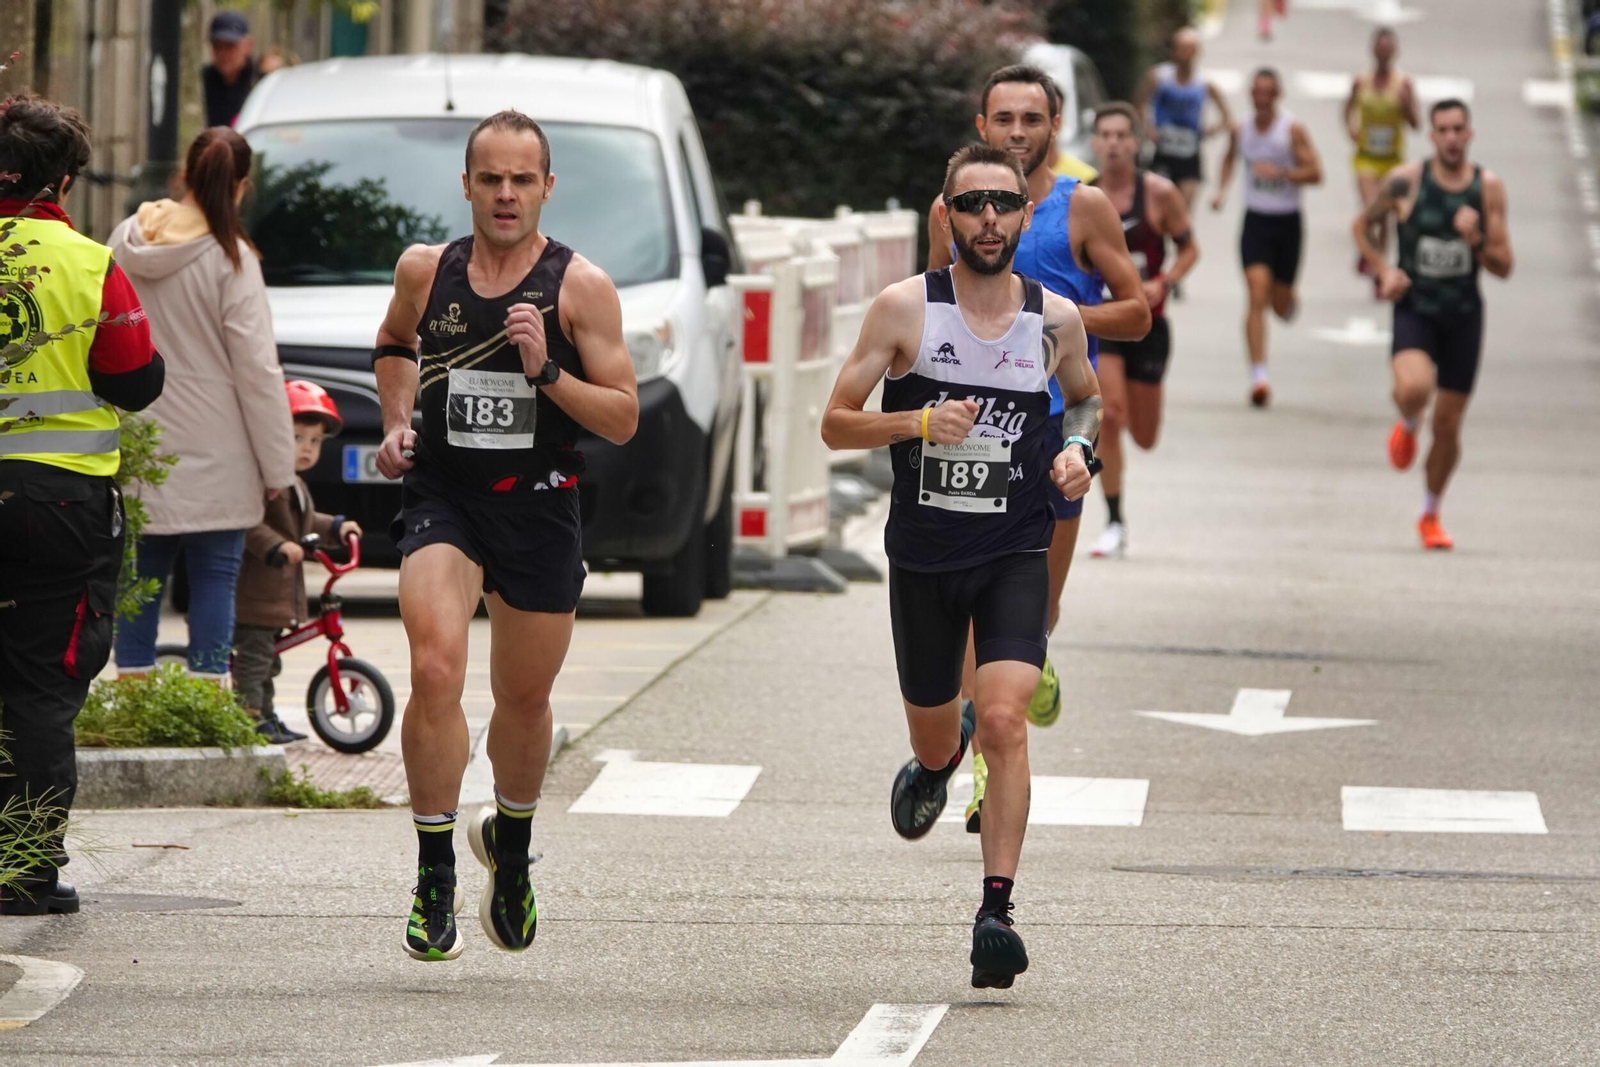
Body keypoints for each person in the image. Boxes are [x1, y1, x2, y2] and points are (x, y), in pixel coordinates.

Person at [823, 142, 1099, 990]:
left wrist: (1080, 449)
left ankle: (996, 911)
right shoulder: (905, 310)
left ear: (1024, 214)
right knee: (938, 728)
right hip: (924, 560)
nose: (989, 220)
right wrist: (914, 426)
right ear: (946, 216)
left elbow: (1085, 395)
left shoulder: (1055, 320)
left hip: (1014, 549)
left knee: (1008, 715)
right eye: (972, 205)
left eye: (1004, 205)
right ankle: (940, 764)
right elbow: (835, 422)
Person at [371, 110, 638, 962]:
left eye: (523, 179)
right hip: (443, 495)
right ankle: (434, 870)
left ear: (547, 187)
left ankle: (513, 850)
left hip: (538, 504)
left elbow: (625, 416)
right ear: (467, 184)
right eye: (491, 178)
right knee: (433, 665)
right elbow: (392, 343)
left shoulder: (579, 287)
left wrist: (547, 369)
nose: (507, 194)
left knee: (523, 698)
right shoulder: (427, 270)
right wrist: (398, 420)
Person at [926, 66, 1145, 820]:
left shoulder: (1083, 207)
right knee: (973, 612)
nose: (1018, 132)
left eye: (1032, 119)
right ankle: (990, 763)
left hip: (1055, 436)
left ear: (1054, 125)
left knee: (1034, 612)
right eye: (1004, 119)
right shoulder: (950, 209)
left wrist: (1062, 317)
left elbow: (1138, 310)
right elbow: (929, 315)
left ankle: (1031, 665)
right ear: (981, 125)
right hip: (975, 436)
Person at [0, 94, 164, 915]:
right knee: (38, 688)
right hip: (58, 503)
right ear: (63, 177)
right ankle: (23, 871)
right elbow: (136, 380)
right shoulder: (88, 262)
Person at [110, 127, 295, 684]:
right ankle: (209, 701)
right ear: (241, 187)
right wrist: (277, 466)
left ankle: (132, 696)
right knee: (216, 576)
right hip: (222, 450)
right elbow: (258, 372)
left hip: (138, 438)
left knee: (139, 578)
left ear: (183, 175)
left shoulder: (125, 239)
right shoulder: (233, 260)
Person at [1353, 100, 1512, 550]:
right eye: (1442, 129)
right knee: (1415, 389)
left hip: (1463, 315)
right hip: (1416, 309)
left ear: (1470, 134)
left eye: (1459, 129)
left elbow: (1504, 265)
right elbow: (1362, 227)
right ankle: (1406, 421)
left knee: (1448, 427)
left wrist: (1476, 239)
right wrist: (1383, 270)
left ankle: (1430, 513)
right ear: (1431, 136)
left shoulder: (1487, 189)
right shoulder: (1407, 181)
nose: (1451, 138)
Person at [1088, 103, 1200, 560]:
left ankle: (1133, 424)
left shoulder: (1158, 193)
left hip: (1149, 325)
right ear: (1094, 143)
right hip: (1105, 322)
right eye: (1105, 135)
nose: (1113, 144)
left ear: (1136, 142)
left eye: (1121, 135)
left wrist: (1165, 281)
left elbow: (1190, 248)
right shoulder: (1084, 196)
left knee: (1145, 435)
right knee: (1108, 417)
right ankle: (1115, 522)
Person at [233, 380, 363, 744]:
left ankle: (267, 714)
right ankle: (250, 718)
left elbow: (306, 522)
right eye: (297, 438)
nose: (307, 448)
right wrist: (276, 546)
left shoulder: (295, 484)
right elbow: (248, 521)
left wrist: (336, 527)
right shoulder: (264, 481)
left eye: (315, 441)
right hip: (256, 593)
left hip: (275, 596)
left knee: (269, 659)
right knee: (256, 656)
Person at [1212, 68, 1322, 408]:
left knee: (1279, 302)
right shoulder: (1241, 128)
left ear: (1277, 96)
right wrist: (1221, 190)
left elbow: (1316, 172)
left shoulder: (1291, 130)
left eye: (1267, 93)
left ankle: (1287, 297)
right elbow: (1230, 157)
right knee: (1256, 295)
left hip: (1287, 224)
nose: (1261, 99)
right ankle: (1259, 377)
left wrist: (1284, 173)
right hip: (1256, 221)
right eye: (1256, 92)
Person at [1344, 28, 1418, 284]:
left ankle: (1379, 269)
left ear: (1395, 51)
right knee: (1370, 208)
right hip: (1366, 157)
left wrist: (1406, 105)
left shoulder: (1403, 84)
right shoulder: (1361, 81)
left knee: (1385, 215)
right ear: (1373, 50)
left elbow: (1416, 123)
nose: (1384, 52)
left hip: (1392, 160)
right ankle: (1372, 254)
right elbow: (1347, 108)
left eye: (1388, 48)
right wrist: (1351, 130)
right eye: (1380, 47)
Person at [1135, 28, 1233, 214]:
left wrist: (1213, 130)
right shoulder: (1159, 77)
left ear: (1198, 52)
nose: (1186, 55)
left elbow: (1226, 115)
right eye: (1182, 49)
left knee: (1183, 212)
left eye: (1191, 49)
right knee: (1157, 211)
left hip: (1190, 155)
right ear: (1174, 50)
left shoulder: (1204, 82)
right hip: (1163, 152)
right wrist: (1147, 129)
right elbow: (1140, 103)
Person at [202, 11, 259, 128]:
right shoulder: (205, 80)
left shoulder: (261, 83)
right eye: (217, 46)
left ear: (248, 45)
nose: (223, 53)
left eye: (230, 46)